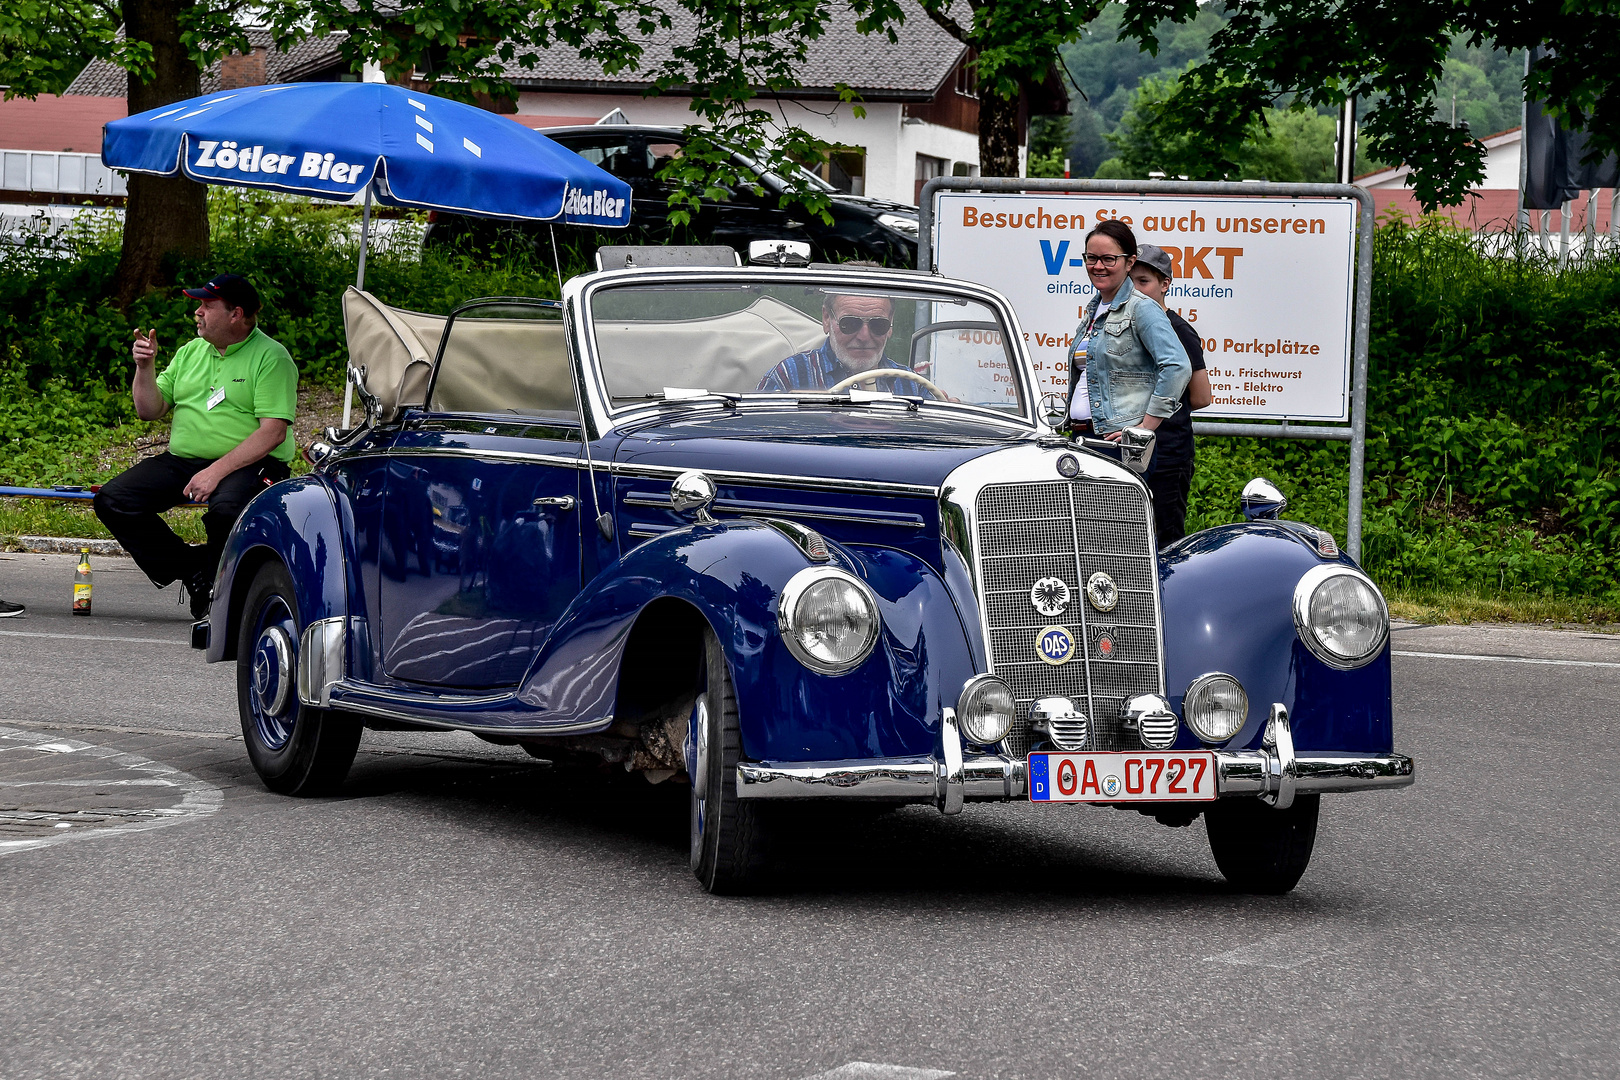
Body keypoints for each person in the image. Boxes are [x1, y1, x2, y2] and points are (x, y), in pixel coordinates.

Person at [93, 274, 298, 619]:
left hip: (252, 462)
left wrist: (215, 472)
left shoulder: (271, 358)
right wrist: (144, 367)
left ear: (235, 314)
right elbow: (149, 410)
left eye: (206, 305)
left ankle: (222, 595)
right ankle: (195, 568)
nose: (197, 312)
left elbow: (273, 433)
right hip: (186, 460)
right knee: (114, 500)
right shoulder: (191, 351)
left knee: (226, 510)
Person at [1066, 221, 1191, 539]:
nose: (1098, 266)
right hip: (1083, 440)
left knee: (1120, 541)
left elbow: (1177, 367)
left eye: (1109, 259)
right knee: (1087, 539)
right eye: (1091, 258)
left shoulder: (1141, 309)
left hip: (1119, 446)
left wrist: (1143, 430)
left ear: (1129, 262)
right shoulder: (1095, 310)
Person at [1127, 244, 1213, 545]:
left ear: (1165, 285)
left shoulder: (1179, 331)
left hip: (1167, 455)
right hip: (1126, 451)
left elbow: (1201, 397)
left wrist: (1156, 410)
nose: (1135, 289)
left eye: (1144, 281)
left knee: (1164, 540)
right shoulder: (1123, 325)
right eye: (1130, 281)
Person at [756, 292, 931, 396]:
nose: (864, 336)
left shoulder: (913, 385)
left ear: (891, 324)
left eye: (878, 324)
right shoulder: (789, 377)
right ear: (827, 319)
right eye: (850, 323)